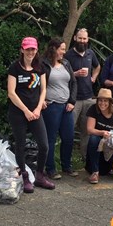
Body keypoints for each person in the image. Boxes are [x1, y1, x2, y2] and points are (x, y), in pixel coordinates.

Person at [7, 37, 55, 193]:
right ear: (22, 49)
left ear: (37, 50)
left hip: (35, 112)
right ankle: (24, 176)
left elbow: (43, 90)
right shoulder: (15, 68)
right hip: (18, 113)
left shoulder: (39, 67)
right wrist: (26, 111)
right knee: (20, 145)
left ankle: (40, 175)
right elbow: (11, 93)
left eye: (33, 49)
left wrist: (38, 108)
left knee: (44, 145)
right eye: (27, 49)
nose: (30, 52)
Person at [41, 38, 78, 179]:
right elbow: (38, 84)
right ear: (54, 49)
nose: (64, 51)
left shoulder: (66, 63)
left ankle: (67, 166)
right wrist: (41, 100)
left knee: (68, 137)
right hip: (52, 106)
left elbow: (73, 82)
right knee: (50, 138)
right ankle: (50, 169)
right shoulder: (43, 64)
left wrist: (72, 101)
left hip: (67, 106)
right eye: (62, 49)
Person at [64, 28, 101, 164]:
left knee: (87, 131)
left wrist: (93, 77)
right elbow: (62, 75)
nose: (82, 41)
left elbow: (97, 67)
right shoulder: (67, 56)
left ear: (88, 40)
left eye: (84, 39)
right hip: (73, 99)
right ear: (75, 38)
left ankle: (86, 160)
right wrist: (75, 74)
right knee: (69, 130)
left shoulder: (91, 53)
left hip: (89, 98)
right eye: (80, 38)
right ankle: (67, 162)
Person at [86, 88, 113, 184]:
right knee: (93, 138)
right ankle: (95, 171)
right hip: (98, 144)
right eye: (100, 100)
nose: (102, 103)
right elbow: (89, 129)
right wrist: (102, 133)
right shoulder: (93, 109)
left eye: (105, 101)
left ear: (110, 102)